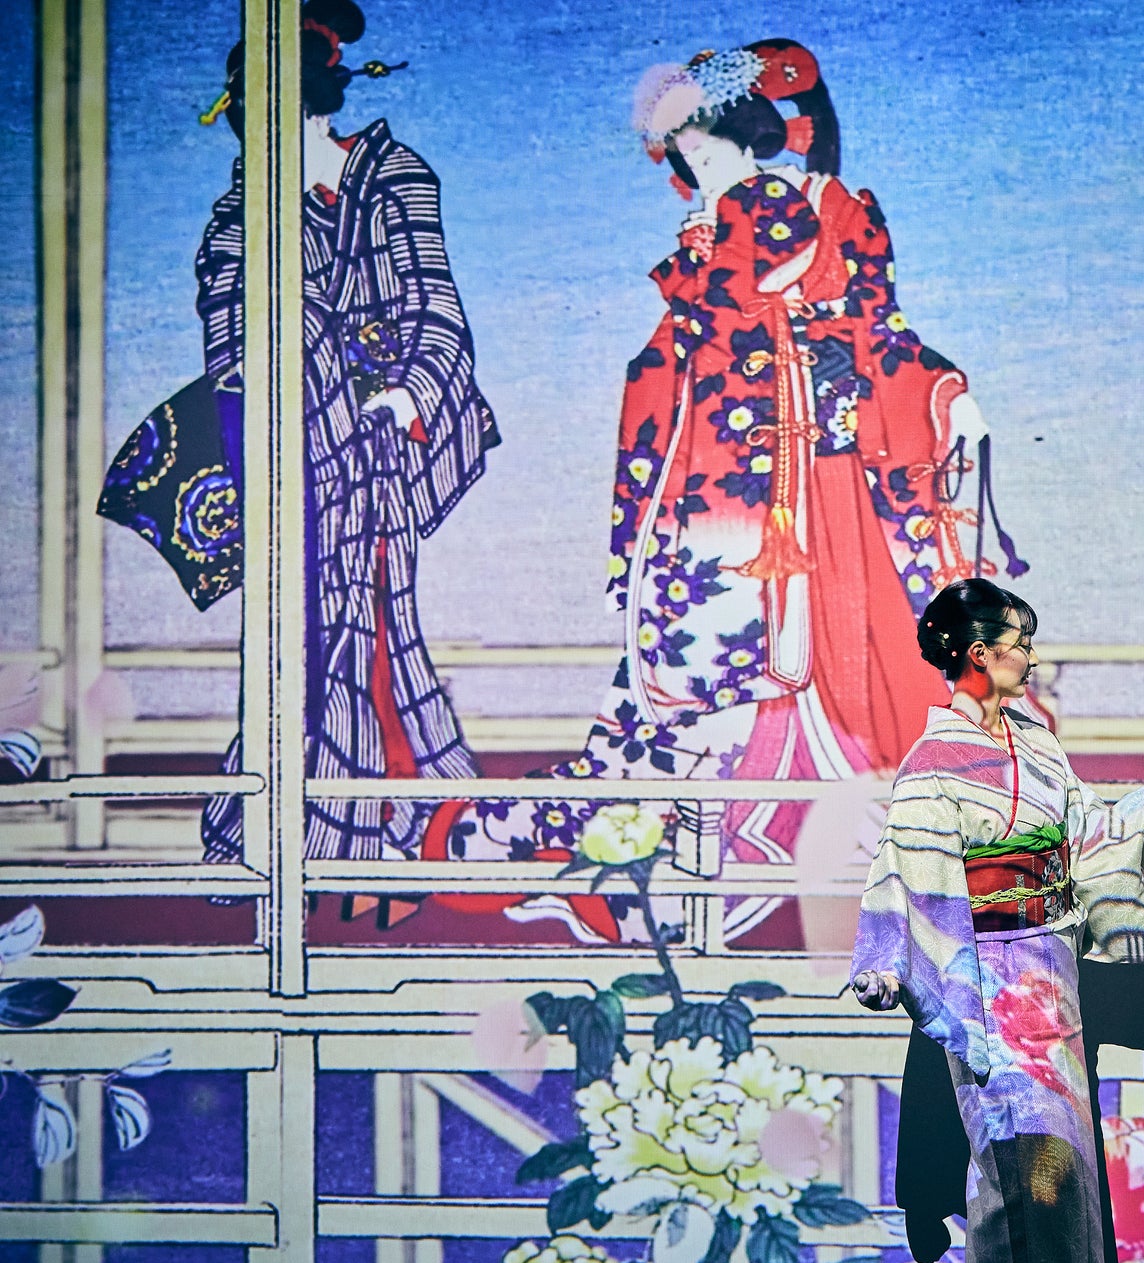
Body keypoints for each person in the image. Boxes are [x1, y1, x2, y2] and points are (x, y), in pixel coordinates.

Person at [430, 41, 1021, 941]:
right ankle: (702, 829)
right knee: (705, 641)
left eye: (706, 145)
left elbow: (880, 332)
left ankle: (883, 833)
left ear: (746, 134)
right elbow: (672, 362)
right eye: (685, 155)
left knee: (849, 647)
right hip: (718, 474)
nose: (698, 165)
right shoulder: (710, 231)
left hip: (812, 470)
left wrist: (945, 390)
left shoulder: (800, 208)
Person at [197, 0, 498, 877]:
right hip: (289, 448)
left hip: (381, 441)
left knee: (367, 614)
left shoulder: (393, 176)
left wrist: (407, 394)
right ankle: (281, 826)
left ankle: (382, 820)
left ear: (311, 104)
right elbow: (228, 338)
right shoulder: (238, 214)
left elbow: (436, 305)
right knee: (290, 627)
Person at [851, 579, 1144, 1263]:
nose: (1030, 657)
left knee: (1068, 1166)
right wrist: (886, 962)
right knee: (1024, 1167)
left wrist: (1135, 812)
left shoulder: (1037, 744)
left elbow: (1082, 830)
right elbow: (904, 871)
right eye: (1019, 643)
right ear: (979, 654)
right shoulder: (933, 762)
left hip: (1051, 970)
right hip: (988, 979)